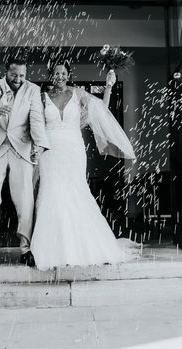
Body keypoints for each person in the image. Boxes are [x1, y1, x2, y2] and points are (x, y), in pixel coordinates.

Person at [30, 60, 138, 270]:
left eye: (63, 73)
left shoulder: (78, 94)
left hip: (73, 149)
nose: (60, 76)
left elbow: (102, 108)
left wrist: (108, 86)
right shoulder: (43, 98)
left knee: (75, 192)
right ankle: (53, 249)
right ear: (51, 76)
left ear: (68, 75)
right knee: (51, 192)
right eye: (56, 73)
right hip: (50, 151)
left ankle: (83, 247)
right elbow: (37, 125)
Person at [0, 58, 50, 268]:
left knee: (25, 200)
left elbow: (36, 118)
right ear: (6, 71)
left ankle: (25, 248)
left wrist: (39, 146)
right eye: (14, 75)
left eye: (22, 76)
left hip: (21, 149)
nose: (18, 80)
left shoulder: (33, 90)